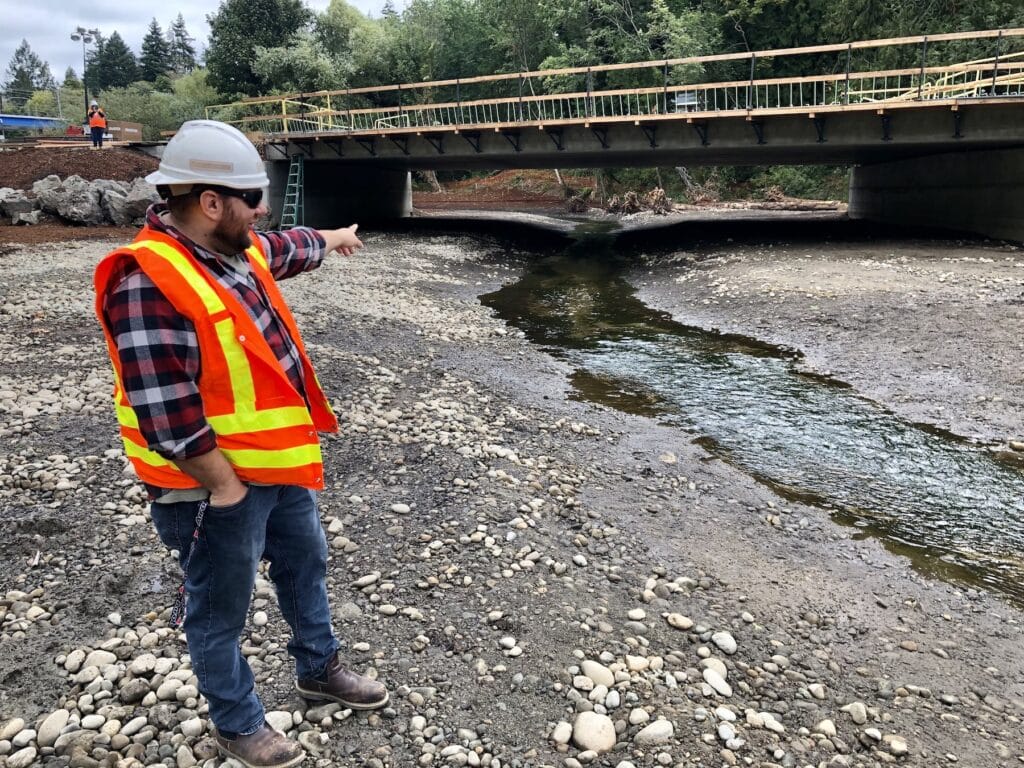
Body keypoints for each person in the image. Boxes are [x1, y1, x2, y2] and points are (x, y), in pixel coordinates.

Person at [94, 120, 388, 768]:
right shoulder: (148, 280)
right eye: (250, 199)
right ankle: (237, 721)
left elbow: (284, 246)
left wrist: (334, 238)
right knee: (217, 610)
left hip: (274, 469)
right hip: (210, 485)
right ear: (209, 202)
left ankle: (319, 669)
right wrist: (225, 487)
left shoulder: (234, 248)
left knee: (304, 565)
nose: (260, 210)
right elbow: (164, 413)